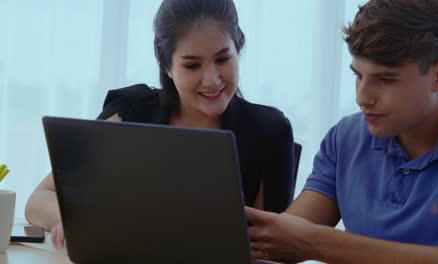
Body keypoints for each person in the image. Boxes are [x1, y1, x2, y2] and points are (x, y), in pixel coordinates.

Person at [25, 0, 296, 250]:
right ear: (167, 66)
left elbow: (272, 248)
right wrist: (72, 220)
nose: (212, 80)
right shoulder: (129, 113)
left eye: (223, 59)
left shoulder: (269, 132)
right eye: (192, 66)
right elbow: (39, 200)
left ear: (239, 50)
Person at [245, 0, 438, 263]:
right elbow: (286, 239)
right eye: (358, 75)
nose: (362, 98)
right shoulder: (345, 138)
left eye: (385, 79)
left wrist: (316, 242)